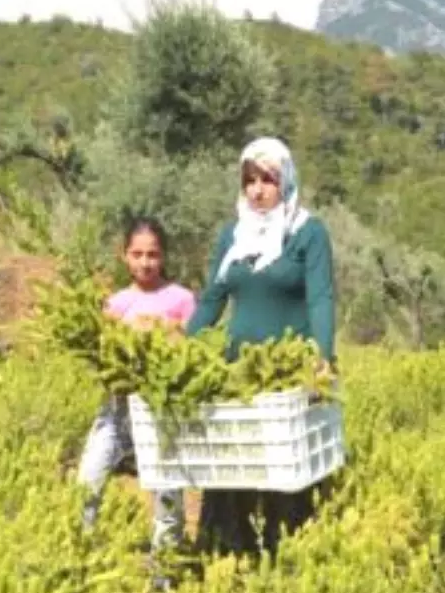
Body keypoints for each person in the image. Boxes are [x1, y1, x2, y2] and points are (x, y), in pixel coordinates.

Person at [185, 136, 338, 559]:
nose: (257, 189)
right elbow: (213, 300)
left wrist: (321, 358)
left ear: (285, 180)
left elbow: (321, 298)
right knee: (234, 466)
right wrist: (181, 349)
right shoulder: (234, 236)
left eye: (267, 179)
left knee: (284, 473)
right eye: (249, 180)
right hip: (239, 374)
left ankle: (285, 560)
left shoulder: (307, 233)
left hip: (288, 375)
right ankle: (228, 558)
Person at [75, 215, 196, 549]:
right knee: (87, 483)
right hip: (118, 410)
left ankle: (165, 571)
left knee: (167, 497)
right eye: (137, 254)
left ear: (164, 256)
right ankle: (80, 556)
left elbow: (194, 350)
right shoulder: (115, 304)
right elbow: (103, 358)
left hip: (163, 413)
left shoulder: (182, 299)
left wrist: (167, 337)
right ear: (125, 256)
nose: (145, 262)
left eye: (153, 254)